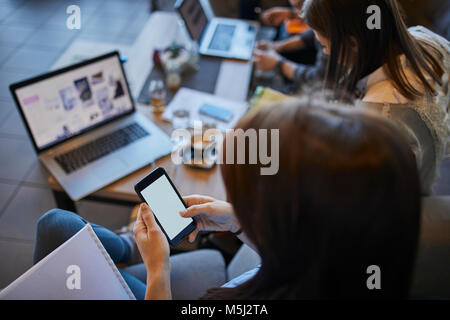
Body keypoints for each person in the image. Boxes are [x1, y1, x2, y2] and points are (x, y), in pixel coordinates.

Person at [34, 98, 422, 299]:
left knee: (60, 234)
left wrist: (158, 272)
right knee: (59, 226)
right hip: (243, 271)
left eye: (249, 201)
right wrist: (239, 220)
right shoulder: (343, 255)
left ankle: (129, 251)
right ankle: (124, 248)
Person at [292, 0, 450, 194]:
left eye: (325, 45)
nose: (325, 52)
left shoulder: (379, 116)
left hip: (405, 201)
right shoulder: (424, 37)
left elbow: (364, 192)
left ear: (352, 43)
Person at [254, 0, 328, 92]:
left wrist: (278, 64)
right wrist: (277, 46)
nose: (298, 10)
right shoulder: (322, 18)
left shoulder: (330, 34)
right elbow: (312, 35)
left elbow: (319, 79)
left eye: (300, 5)